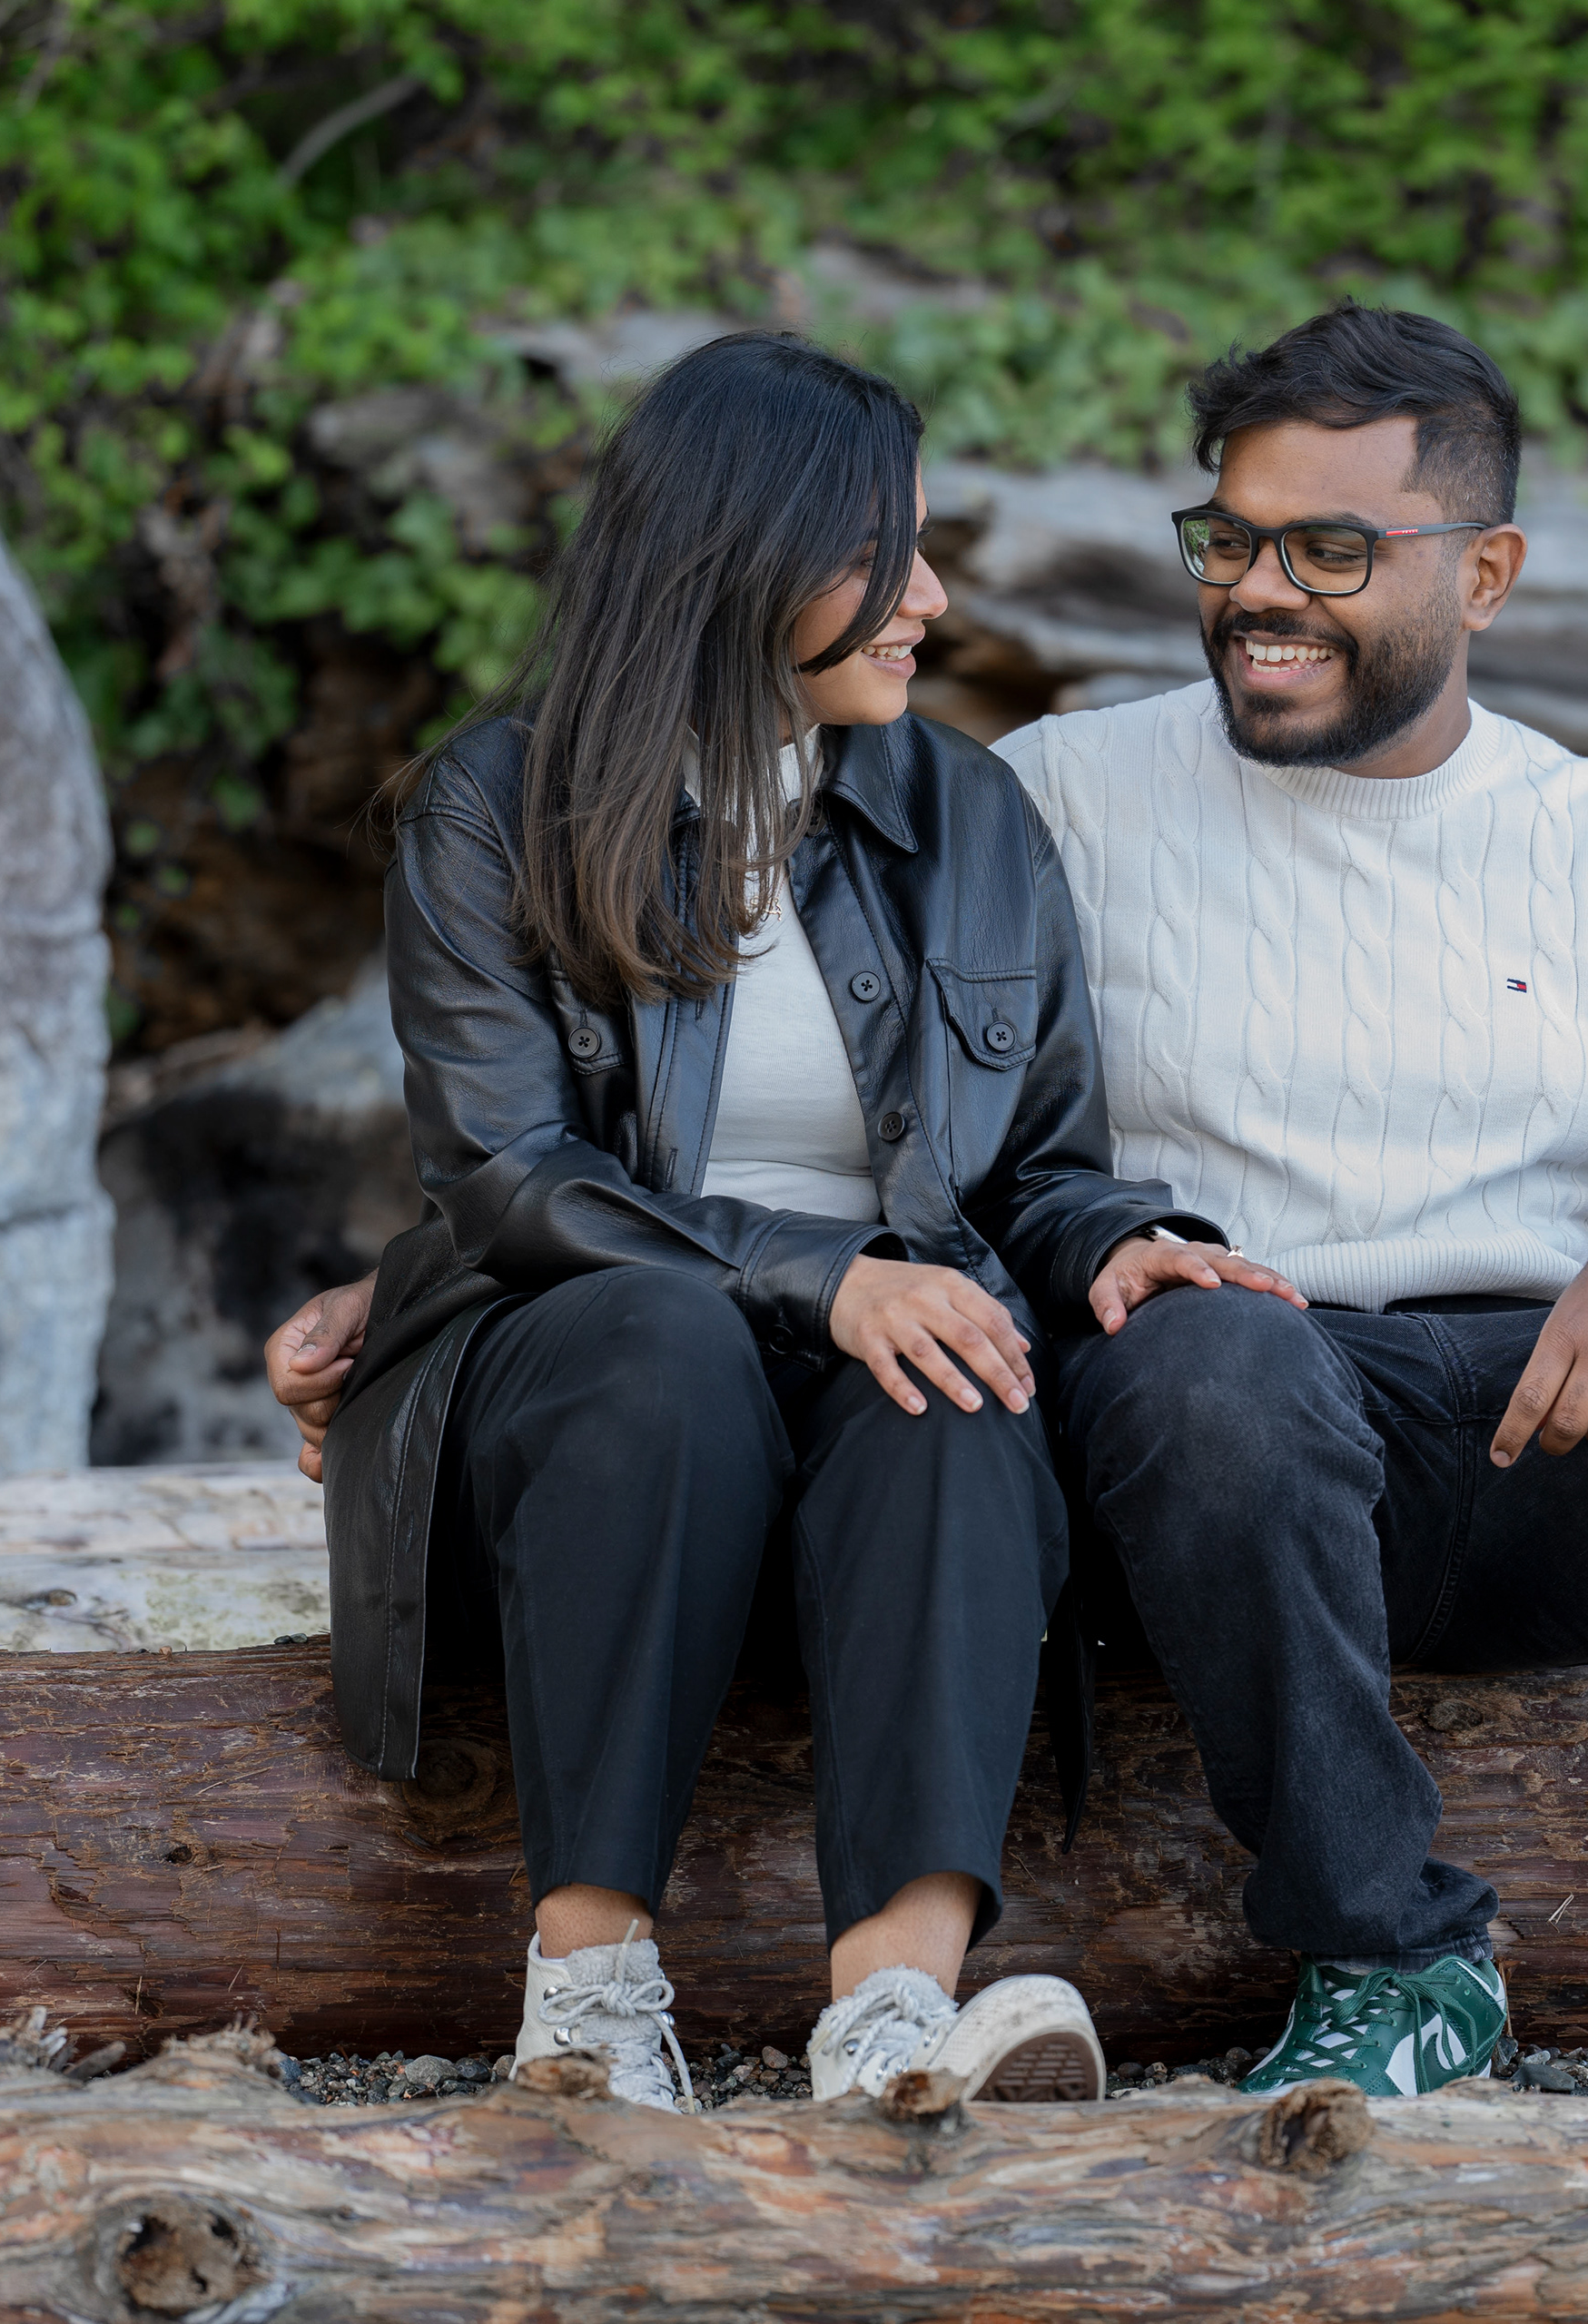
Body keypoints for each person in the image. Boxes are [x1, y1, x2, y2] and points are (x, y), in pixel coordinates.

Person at [281, 303, 1588, 2107]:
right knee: (1195, 1358)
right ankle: (1388, 1958)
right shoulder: (1057, 791)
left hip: (1561, 1415)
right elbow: (646, 1125)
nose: (1262, 592)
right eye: (1232, 540)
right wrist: (435, 1281)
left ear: (1485, 573)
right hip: (1226, 1427)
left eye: (1330, 550)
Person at [299, 331, 1299, 2116]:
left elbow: (1036, 1164)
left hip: (864, 1375)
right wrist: (823, 1278)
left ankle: (895, 2024)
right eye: (882, 556)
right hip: (583, 1360)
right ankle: (590, 2001)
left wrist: (1110, 1243)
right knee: (670, 1334)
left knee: (965, 1366)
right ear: (739, 559)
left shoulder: (967, 814)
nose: (930, 599)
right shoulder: (496, 806)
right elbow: (511, 1180)